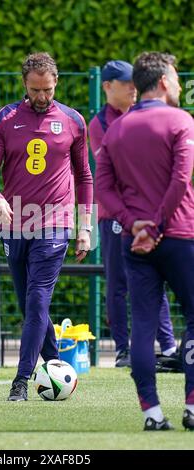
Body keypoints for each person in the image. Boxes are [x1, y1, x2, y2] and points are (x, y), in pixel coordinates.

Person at [0, 52, 93, 401]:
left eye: (47, 89)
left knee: (38, 298)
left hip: (55, 224)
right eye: (35, 90)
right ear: (24, 85)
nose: (42, 97)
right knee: (32, 306)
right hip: (16, 221)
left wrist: (84, 227)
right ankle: (57, 366)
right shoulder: (6, 118)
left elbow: (85, 176)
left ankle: (20, 381)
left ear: (55, 83)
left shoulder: (73, 120)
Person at [95, 51, 194, 431]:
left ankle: (152, 414)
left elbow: (103, 188)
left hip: (134, 243)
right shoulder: (181, 121)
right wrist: (154, 225)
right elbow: (181, 180)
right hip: (180, 236)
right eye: (177, 77)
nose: (181, 85)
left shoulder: (115, 129)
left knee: (142, 326)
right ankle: (191, 407)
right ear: (165, 81)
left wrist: (134, 224)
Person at [89, 60, 177, 368]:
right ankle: (122, 351)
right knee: (117, 283)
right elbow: (113, 176)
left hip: (150, 213)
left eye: (133, 82)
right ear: (107, 86)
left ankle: (168, 348)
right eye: (125, 82)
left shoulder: (145, 115)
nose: (132, 87)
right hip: (115, 215)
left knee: (157, 276)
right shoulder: (99, 124)